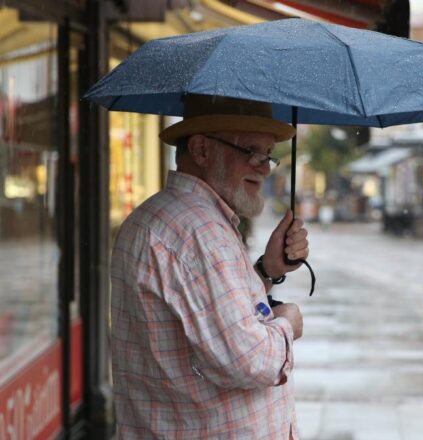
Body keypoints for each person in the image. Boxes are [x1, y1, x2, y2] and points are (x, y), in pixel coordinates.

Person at [110, 95, 309, 439]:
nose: (263, 166)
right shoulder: (199, 232)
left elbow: (205, 317)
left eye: (268, 154)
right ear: (201, 150)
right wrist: (287, 324)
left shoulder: (162, 216)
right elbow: (250, 361)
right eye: (251, 150)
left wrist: (267, 269)